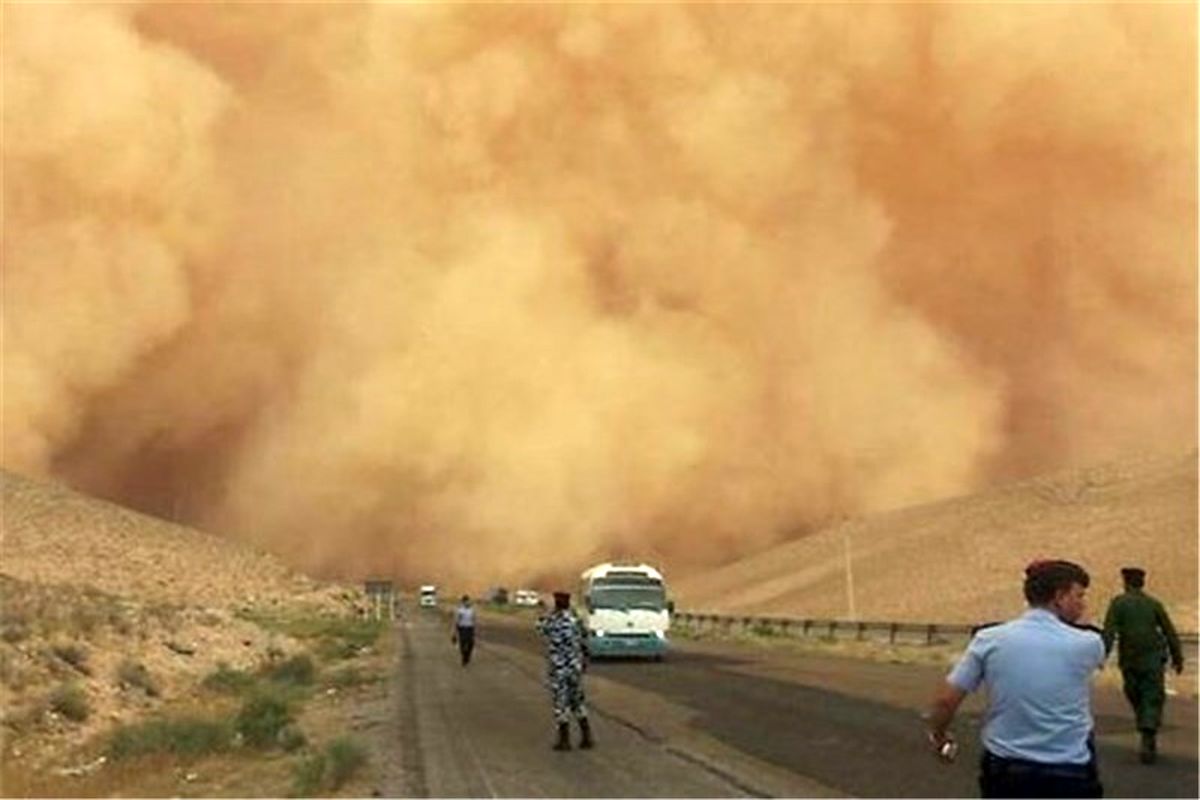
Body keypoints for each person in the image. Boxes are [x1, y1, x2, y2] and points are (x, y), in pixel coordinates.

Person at [926, 560, 1106, 798]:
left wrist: (939, 735)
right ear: (1059, 596)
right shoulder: (1089, 644)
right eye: (1078, 596)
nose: (1082, 605)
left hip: (1007, 769)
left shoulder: (989, 640)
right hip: (1069, 769)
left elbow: (945, 701)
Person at [1101, 567, 1184, 764]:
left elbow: (1109, 632)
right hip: (1152, 658)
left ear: (1125, 582)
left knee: (1136, 693)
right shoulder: (1153, 604)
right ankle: (1148, 727)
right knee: (1150, 694)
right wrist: (1177, 657)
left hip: (1132, 659)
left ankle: (1147, 732)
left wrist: (1101, 655)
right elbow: (1169, 632)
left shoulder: (1119, 604)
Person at [536, 591, 593, 751]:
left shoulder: (553, 622)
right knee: (578, 702)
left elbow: (539, 628)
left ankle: (564, 740)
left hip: (559, 668)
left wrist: (545, 612)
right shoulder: (576, 621)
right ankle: (586, 736)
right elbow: (585, 637)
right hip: (575, 667)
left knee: (561, 703)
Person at [451, 595, 476, 666]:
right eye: (466, 601)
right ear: (463, 602)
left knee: (471, 643)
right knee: (463, 643)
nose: (468, 602)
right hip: (462, 628)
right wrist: (454, 632)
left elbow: (474, 619)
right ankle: (464, 657)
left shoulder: (472, 610)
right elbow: (456, 621)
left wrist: (475, 630)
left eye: (469, 601)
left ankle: (467, 655)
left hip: (470, 628)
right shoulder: (460, 610)